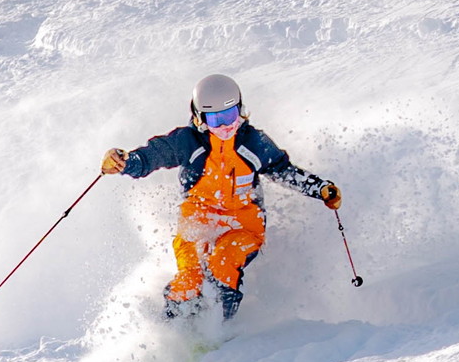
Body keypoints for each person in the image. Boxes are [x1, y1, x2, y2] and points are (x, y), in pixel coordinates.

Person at [101, 73, 341, 320]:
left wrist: (319, 189)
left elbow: (283, 170)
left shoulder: (254, 143)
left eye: (230, 116)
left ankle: (216, 327)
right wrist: (126, 162)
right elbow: (154, 154)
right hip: (198, 220)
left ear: (241, 110)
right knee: (189, 276)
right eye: (216, 119)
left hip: (244, 224)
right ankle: (174, 328)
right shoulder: (188, 142)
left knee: (223, 263)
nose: (226, 126)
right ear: (199, 118)